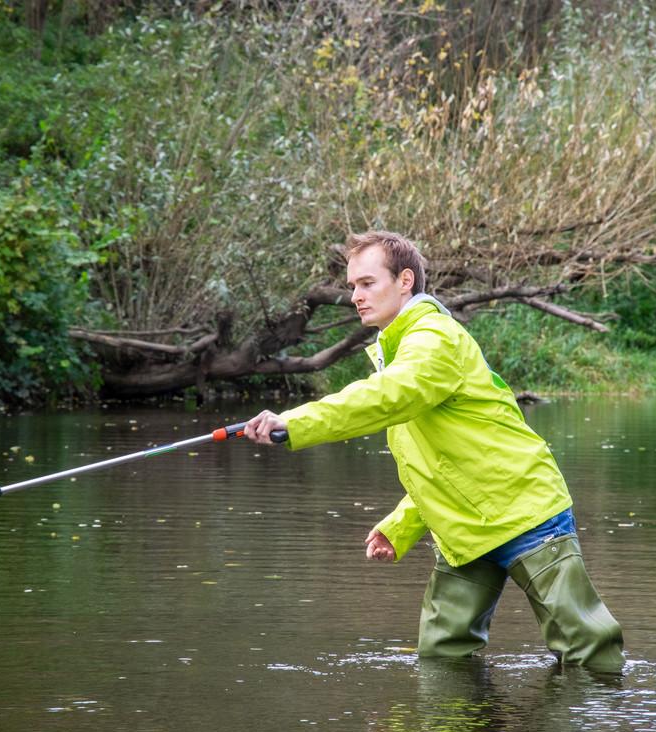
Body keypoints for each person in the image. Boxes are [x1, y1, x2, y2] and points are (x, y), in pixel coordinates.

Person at [245, 231, 624, 672]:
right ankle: (451, 723)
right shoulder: (399, 351)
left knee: (589, 651)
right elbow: (439, 465)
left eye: (367, 283)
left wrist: (294, 422)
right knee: (443, 657)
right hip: (464, 531)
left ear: (405, 281)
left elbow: (388, 396)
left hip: (525, 513)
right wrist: (401, 526)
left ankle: (596, 716)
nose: (355, 297)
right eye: (352, 286)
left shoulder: (434, 338)